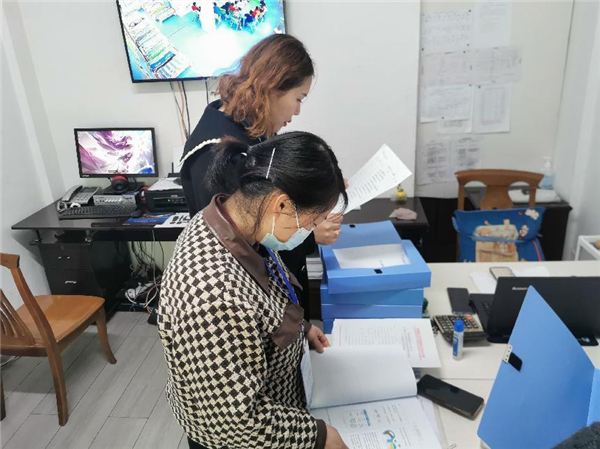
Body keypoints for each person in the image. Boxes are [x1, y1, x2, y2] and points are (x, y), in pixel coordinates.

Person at [159, 132, 349, 449]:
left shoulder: (238, 222)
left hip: (278, 398)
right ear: (282, 204)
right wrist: (319, 437)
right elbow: (233, 423)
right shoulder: (214, 297)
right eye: (312, 221)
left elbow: (268, 296)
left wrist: (300, 329)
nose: (309, 231)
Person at [179, 34, 343, 319]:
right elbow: (247, 241)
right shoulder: (218, 154)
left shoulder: (248, 130)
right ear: (271, 87)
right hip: (245, 303)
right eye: (298, 99)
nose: (297, 111)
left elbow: (273, 198)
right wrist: (309, 235)